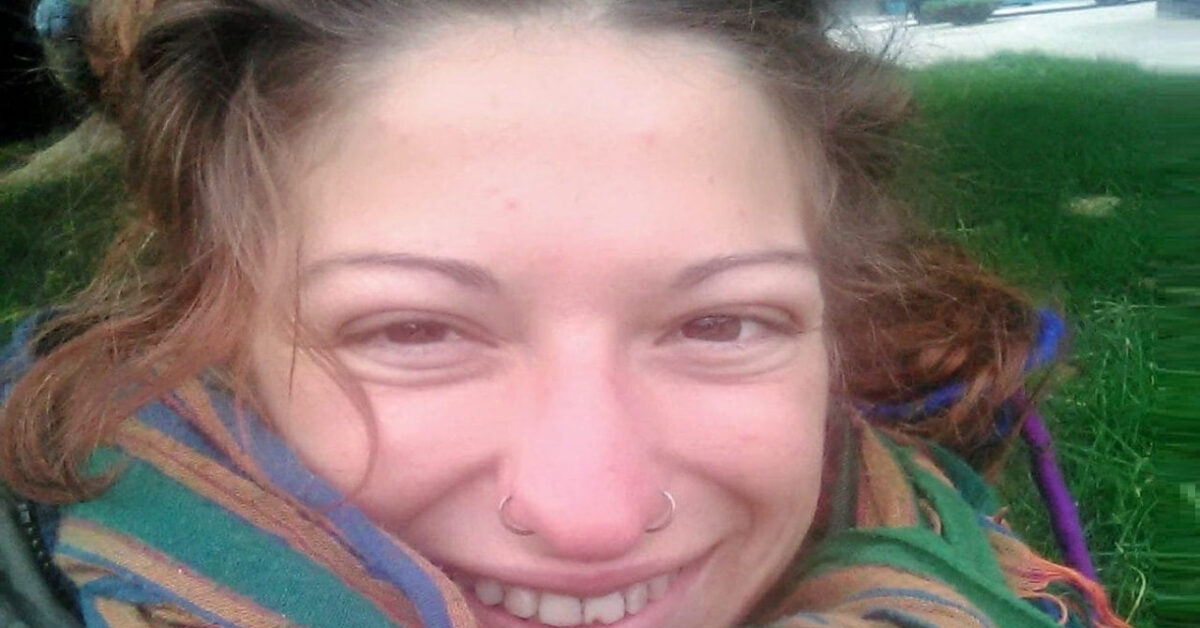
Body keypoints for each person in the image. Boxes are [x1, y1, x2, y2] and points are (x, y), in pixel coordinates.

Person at [0, 1, 1132, 627]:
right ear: (209, 329)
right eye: (415, 330)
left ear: (834, 317)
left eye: (722, 323)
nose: (592, 514)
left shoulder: (956, 568)